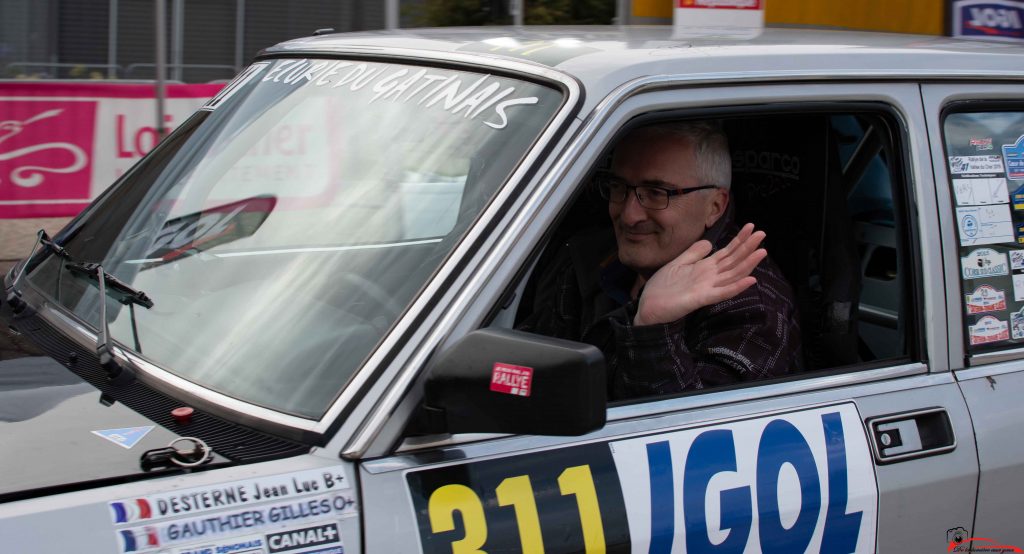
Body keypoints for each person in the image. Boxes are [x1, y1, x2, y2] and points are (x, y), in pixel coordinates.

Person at [518, 121, 801, 399]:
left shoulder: (751, 301)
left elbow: (703, 432)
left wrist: (653, 329)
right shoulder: (588, 259)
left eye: (657, 193)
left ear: (715, 206)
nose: (629, 215)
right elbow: (525, 365)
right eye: (619, 187)